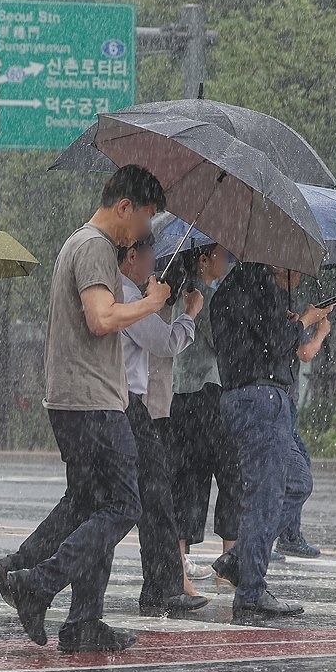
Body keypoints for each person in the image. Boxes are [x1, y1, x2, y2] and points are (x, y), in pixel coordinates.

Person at [0, 164, 169, 654]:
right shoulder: (92, 246)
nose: (145, 232)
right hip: (91, 400)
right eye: (146, 217)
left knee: (92, 505)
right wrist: (152, 304)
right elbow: (101, 318)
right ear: (124, 207)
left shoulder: (83, 244)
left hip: (78, 397)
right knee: (124, 504)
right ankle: (39, 583)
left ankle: (83, 620)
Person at [208, 262, 332, 619]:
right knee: (266, 494)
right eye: (295, 268)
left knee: (297, 481)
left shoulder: (246, 287)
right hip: (259, 397)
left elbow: (269, 340)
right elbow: (279, 340)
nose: (298, 274)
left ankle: (239, 559)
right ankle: (250, 592)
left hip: (260, 397)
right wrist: (304, 320)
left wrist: (291, 319)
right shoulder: (253, 284)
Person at [116, 235, 208, 616]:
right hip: (128, 406)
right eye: (151, 256)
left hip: (120, 403)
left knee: (106, 502)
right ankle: (164, 587)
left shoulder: (121, 291)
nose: (155, 264)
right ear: (132, 255)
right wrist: (190, 314)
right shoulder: (126, 296)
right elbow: (165, 342)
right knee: (153, 496)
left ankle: (31, 567)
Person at [168, 243, 237, 588]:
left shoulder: (183, 291)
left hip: (183, 395)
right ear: (203, 258)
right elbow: (221, 341)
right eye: (222, 254)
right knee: (225, 475)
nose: (226, 261)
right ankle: (228, 564)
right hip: (206, 393)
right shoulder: (203, 296)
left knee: (189, 481)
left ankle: (184, 570)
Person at [271, 267, 333, 560]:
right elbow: (305, 353)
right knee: (295, 473)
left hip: (286, 399)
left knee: (298, 464)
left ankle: (288, 533)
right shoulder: (274, 304)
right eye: (293, 271)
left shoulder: (282, 305)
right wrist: (319, 333)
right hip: (278, 399)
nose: (298, 276)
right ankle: (269, 536)